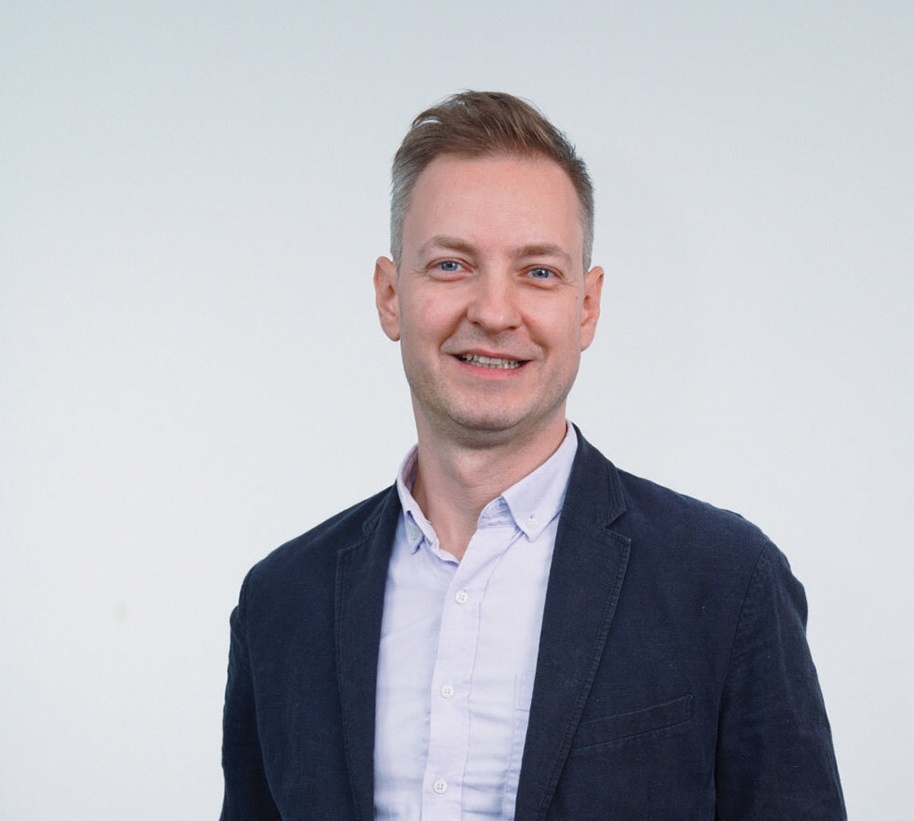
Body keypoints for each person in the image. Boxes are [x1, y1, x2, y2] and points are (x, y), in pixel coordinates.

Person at [220, 90, 846, 820]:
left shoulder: (728, 583)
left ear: (587, 307)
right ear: (390, 296)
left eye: (538, 272)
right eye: (451, 265)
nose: (494, 312)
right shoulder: (280, 603)